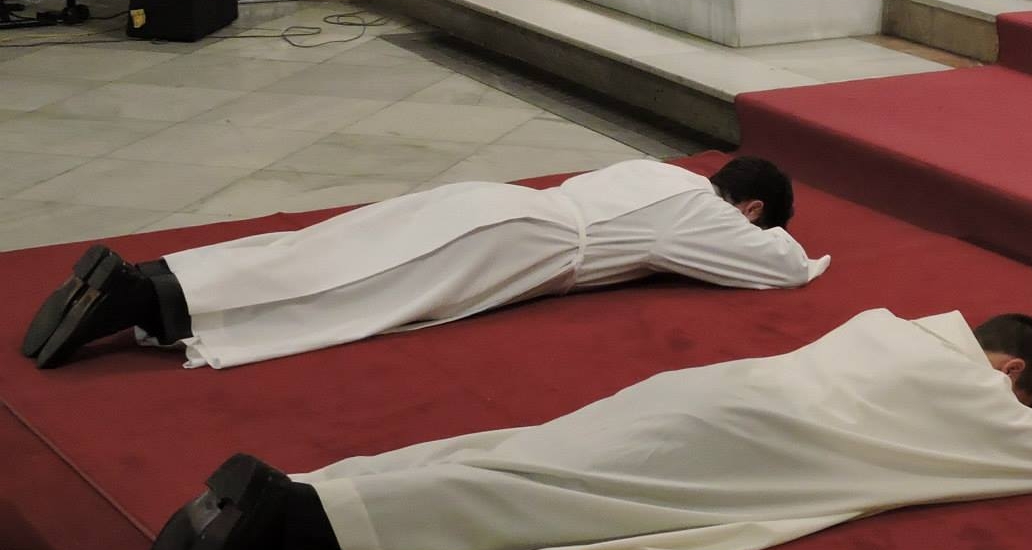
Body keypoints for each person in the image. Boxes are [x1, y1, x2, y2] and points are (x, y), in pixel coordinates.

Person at [140, 309, 1032, 550]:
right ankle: (305, 527)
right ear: (1010, 372)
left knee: (526, 453)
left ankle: (305, 492)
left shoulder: (892, 326)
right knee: (544, 501)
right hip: (753, 443)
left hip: (708, 393)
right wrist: (1018, 409)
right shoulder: (978, 393)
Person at [21, 157, 820, 370]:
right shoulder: (701, 214)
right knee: (354, 288)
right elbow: (782, 268)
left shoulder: (663, 174)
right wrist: (794, 243)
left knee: (326, 248)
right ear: (748, 208)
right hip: (520, 246)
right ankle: (144, 302)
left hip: (499, 206)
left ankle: (155, 279)